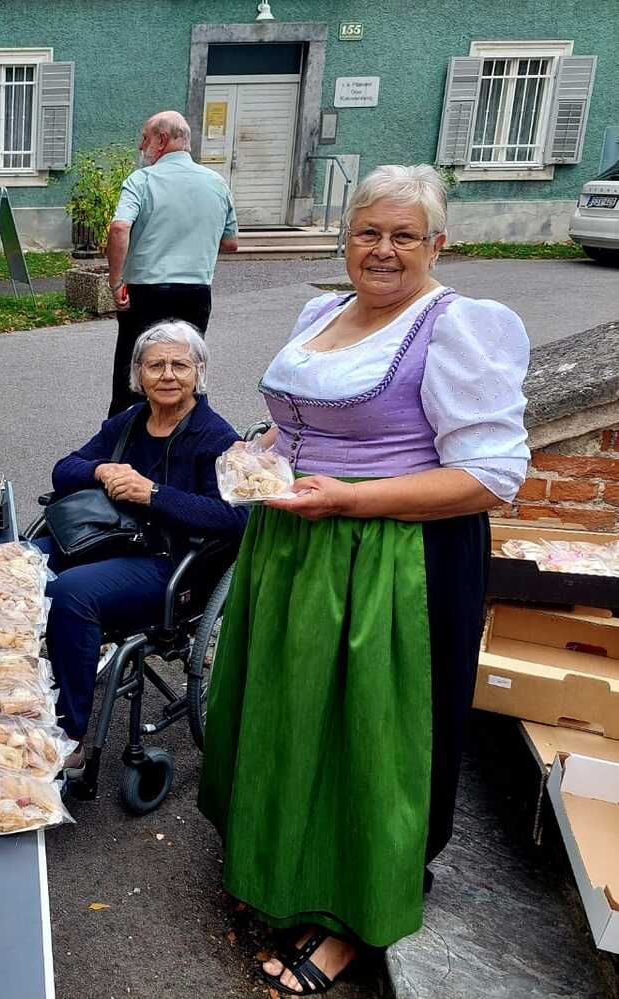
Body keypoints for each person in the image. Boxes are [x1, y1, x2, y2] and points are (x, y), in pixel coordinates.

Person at [198, 165, 530, 995]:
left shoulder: (457, 327)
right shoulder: (322, 312)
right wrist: (261, 455)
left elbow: (491, 476)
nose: (383, 250)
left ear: (437, 243)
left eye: (404, 235)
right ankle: (282, 870)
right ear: (345, 240)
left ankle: (352, 916)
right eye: (368, 233)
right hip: (296, 543)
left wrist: (352, 498)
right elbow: (298, 422)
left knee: (369, 735)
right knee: (292, 713)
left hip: (390, 562)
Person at [37, 322, 246, 754]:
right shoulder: (130, 422)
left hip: (170, 564)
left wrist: (154, 495)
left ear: (199, 372)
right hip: (108, 539)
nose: (167, 375)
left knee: (70, 592)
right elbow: (63, 470)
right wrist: (101, 469)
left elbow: (235, 518)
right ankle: (9, 690)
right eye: (155, 366)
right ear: (138, 374)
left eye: (180, 365)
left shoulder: (216, 438)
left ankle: (69, 736)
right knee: (16, 565)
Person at [106, 110, 238, 416]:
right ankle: (191, 431)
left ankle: (125, 435)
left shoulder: (142, 180)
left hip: (145, 291)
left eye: (145, 138)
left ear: (162, 140)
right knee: (186, 365)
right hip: (195, 291)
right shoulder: (216, 183)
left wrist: (115, 282)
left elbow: (119, 228)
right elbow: (231, 242)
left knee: (134, 368)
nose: (141, 146)